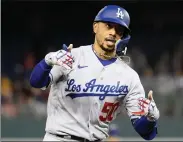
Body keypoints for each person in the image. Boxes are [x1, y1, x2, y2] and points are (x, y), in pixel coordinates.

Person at [30, 5, 160, 141]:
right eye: (108, 26)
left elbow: (145, 132)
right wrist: (47, 62)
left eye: (119, 29)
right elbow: (36, 82)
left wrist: (150, 118)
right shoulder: (71, 57)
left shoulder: (129, 76)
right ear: (95, 27)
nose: (113, 32)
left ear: (123, 36)